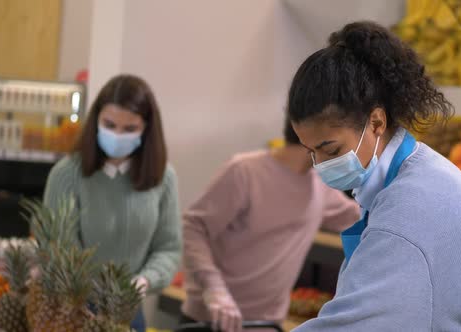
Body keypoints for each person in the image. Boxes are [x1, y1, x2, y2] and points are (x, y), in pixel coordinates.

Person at [286, 21, 461, 331]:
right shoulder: (414, 173)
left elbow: (359, 325)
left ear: (376, 122)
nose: (320, 165)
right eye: (311, 152)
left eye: (330, 150)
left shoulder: (412, 207)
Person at [180, 117, 360, 332]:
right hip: (212, 320)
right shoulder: (244, 171)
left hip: (266, 325)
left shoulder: (320, 186)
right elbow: (194, 227)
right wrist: (214, 290)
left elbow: (358, 218)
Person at [44, 74, 182, 332]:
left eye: (130, 129)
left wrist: (143, 281)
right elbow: (58, 248)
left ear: (146, 129)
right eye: (109, 124)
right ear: (95, 121)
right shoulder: (66, 175)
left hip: (130, 315)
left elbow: (169, 248)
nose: (118, 135)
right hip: (73, 313)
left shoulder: (164, 178)